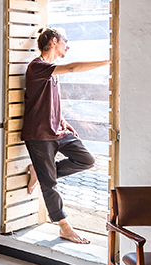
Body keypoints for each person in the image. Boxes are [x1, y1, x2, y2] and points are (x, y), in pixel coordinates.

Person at [21, 26, 109, 245]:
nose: (67, 46)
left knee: (87, 160)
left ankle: (40, 172)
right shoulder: (38, 67)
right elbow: (71, 68)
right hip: (39, 134)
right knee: (49, 184)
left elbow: (48, 101)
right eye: (65, 41)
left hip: (58, 131)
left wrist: (62, 121)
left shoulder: (49, 70)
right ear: (53, 41)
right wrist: (108, 62)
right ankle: (64, 227)